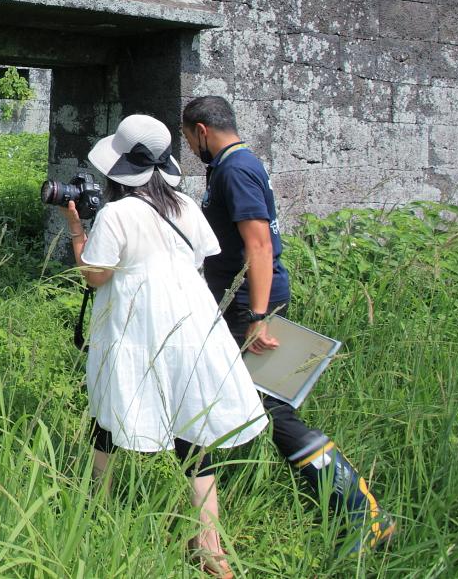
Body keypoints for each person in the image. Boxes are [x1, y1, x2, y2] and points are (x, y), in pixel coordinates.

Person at [180, 95, 396, 554]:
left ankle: (362, 513)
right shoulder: (236, 164)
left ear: (200, 130)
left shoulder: (235, 169)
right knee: (259, 405)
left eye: (187, 137)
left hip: (249, 307)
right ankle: (357, 511)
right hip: (244, 302)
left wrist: (258, 317)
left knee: (271, 408)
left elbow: (258, 244)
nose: (189, 145)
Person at [60, 114, 267, 579]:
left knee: (111, 406)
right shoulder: (185, 206)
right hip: (192, 316)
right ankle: (210, 544)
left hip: (136, 319)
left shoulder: (115, 214)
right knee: (190, 419)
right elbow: (198, 257)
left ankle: (96, 509)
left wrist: (77, 231)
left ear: (117, 170)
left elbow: (96, 276)